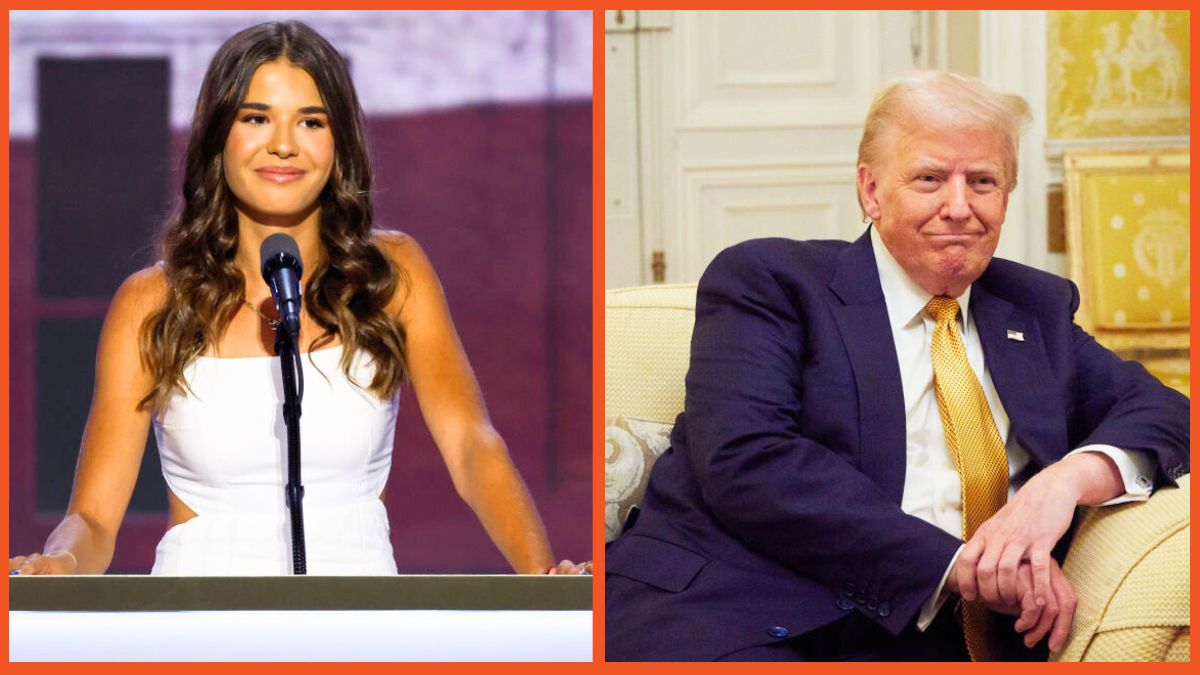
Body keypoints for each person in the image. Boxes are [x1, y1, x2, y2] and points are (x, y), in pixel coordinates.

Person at [604, 70, 1188, 661]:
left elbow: (1165, 411)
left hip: (935, 641)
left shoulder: (1032, 309)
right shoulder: (773, 283)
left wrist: (1059, 487)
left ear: (1007, 195)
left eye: (982, 181)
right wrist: (958, 566)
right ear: (871, 191)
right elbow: (748, 459)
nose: (958, 207)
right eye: (930, 179)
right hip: (738, 612)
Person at [10, 21, 587, 577]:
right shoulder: (150, 303)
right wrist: (59, 561)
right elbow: (92, 518)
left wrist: (543, 576)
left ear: (339, 143)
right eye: (257, 118)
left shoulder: (392, 275)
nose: (283, 145)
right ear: (219, 136)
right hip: (197, 619)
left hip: (357, 612)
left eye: (311, 122)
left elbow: (470, 445)